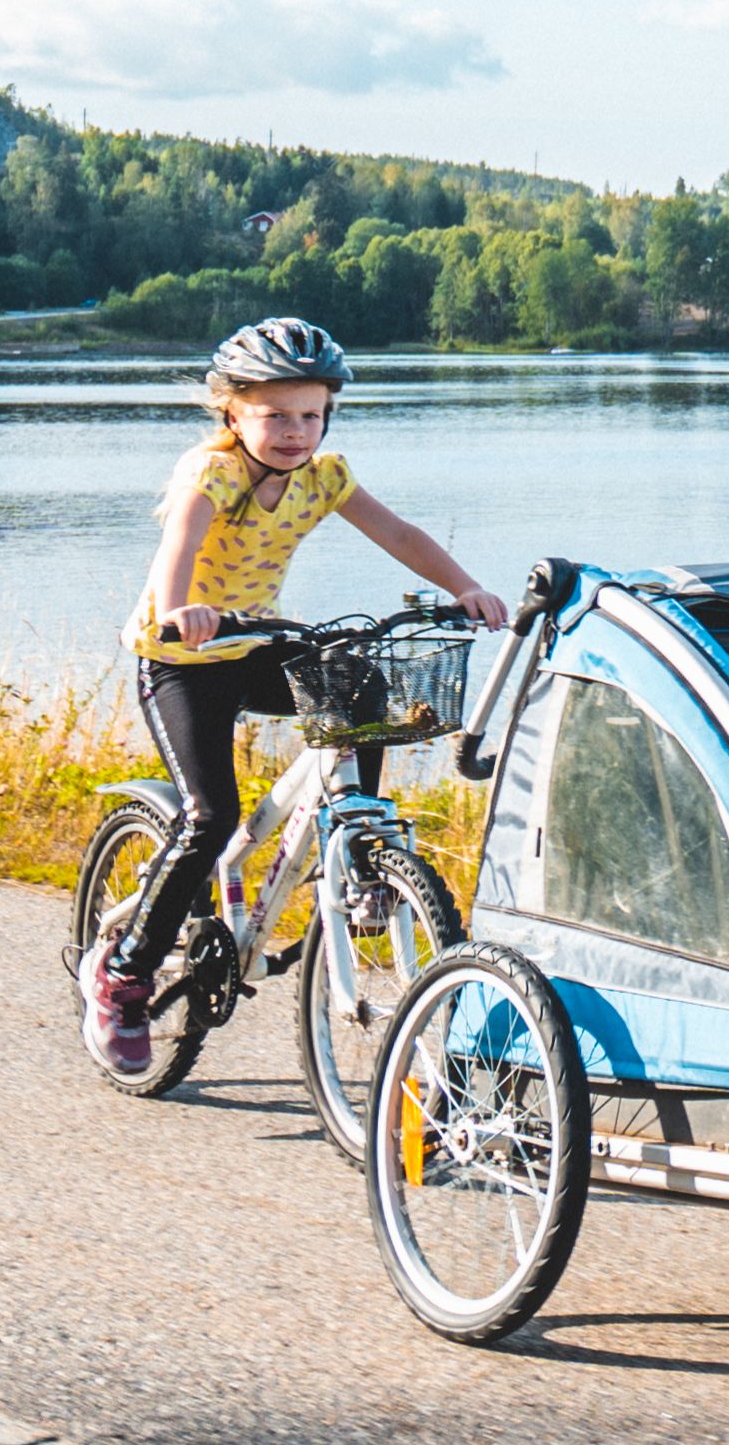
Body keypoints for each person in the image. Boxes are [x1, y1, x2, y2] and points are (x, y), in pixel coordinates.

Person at [90, 318, 511, 1070]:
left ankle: (361, 848)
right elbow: (179, 544)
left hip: (255, 645)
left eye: (310, 414)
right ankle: (122, 973)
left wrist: (467, 586)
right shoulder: (211, 473)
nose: (295, 431)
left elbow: (402, 534)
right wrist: (182, 606)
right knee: (210, 814)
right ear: (233, 414)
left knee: (364, 683)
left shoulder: (325, 477)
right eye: (275, 415)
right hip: (182, 655)